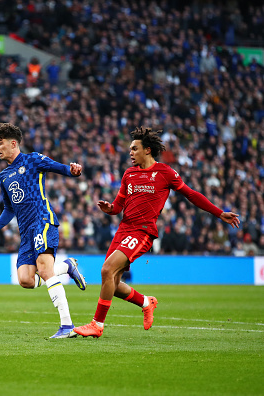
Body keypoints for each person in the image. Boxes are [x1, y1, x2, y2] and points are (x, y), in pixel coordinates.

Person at [73, 127, 241, 338]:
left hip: (142, 232)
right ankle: (146, 302)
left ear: (148, 150)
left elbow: (191, 194)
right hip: (123, 230)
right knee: (112, 284)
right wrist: (110, 209)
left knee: (107, 270)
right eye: (130, 149)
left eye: (135, 148)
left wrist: (219, 213)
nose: (131, 152)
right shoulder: (129, 174)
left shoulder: (165, 173)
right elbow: (118, 206)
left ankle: (97, 325)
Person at [0, 122, 87, 339]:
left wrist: (73, 171)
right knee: (26, 279)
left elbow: (61, 168)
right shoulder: (4, 176)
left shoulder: (33, 159)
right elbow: (9, 208)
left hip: (42, 220)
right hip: (25, 231)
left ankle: (67, 326)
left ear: (13, 143)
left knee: (45, 270)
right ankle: (67, 267)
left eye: (0, 143)